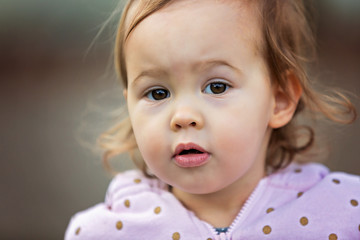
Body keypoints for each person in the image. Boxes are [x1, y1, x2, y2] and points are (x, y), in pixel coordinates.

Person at [65, 0, 359, 239]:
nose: (182, 117)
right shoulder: (105, 231)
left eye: (216, 87)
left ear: (279, 100)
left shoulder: (343, 213)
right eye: (157, 93)